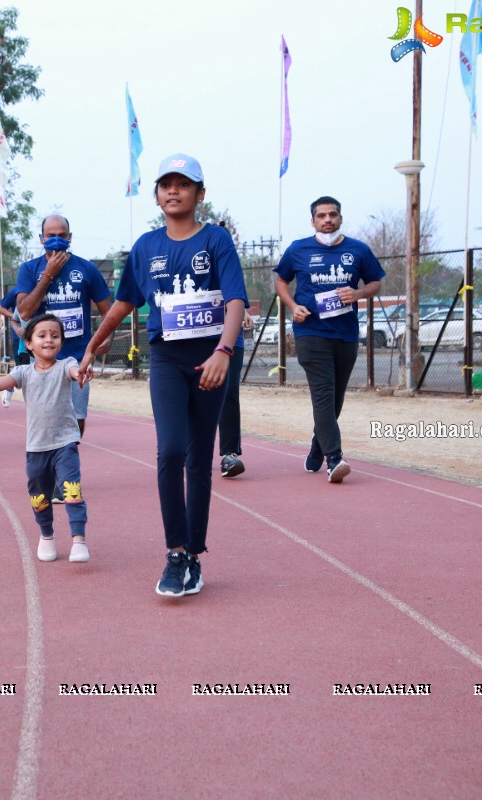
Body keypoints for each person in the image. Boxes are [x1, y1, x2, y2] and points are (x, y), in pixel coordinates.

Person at [78, 154, 247, 598]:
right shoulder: (146, 246)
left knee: (199, 458)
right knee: (170, 450)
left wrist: (223, 352)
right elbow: (123, 304)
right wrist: (93, 347)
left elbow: (235, 302)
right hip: (167, 360)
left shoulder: (215, 240)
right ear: (157, 196)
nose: (173, 191)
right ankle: (175, 552)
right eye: (165, 184)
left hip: (210, 361)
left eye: (183, 184)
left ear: (199, 194)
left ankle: (194, 554)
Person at [0, 314, 90, 563]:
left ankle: (78, 540)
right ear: (29, 343)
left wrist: (82, 373)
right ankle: (47, 535)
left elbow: (77, 372)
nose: (49, 340)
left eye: (55, 335)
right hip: (36, 447)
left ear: (61, 342)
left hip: (65, 443)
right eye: (42, 335)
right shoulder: (23, 372)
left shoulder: (67, 365)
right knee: (39, 497)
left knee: (72, 492)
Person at [274, 195, 384, 484]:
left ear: (340, 218)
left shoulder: (358, 250)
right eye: (321, 215)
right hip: (310, 332)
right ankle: (334, 458)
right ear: (313, 221)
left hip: (346, 333)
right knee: (323, 393)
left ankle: (317, 444)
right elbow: (281, 280)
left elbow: (375, 282)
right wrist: (293, 306)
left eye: (332, 215)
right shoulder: (298, 249)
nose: (327, 220)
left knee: (335, 398)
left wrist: (358, 294)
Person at [15, 214, 113, 435]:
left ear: (70, 237)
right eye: (51, 236)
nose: (56, 240)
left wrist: (107, 336)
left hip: (78, 358)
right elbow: (24, 311)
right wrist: (48, 275)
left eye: (62, 236)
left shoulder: (86, 269)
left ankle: (69, 459)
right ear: (41, 238)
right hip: (41, 361)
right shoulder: (30, 269)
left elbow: (109, 312)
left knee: (77, 417)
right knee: (43, 419)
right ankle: (48, 463)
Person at [217, 313, 252, 477]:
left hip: (230, 336)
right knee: (196, 392)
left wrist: (242, 310)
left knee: (229, 391)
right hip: (197, 335)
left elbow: (236, 293)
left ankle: (229, 454)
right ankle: (191, 447)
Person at [0, 287, 24, 407]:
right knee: (21, 368)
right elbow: (0, 308)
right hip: (20, 336)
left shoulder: (44, 287)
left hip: (40, 335)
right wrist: (16, 317)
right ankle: (9, 386)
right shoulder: (16, 290)